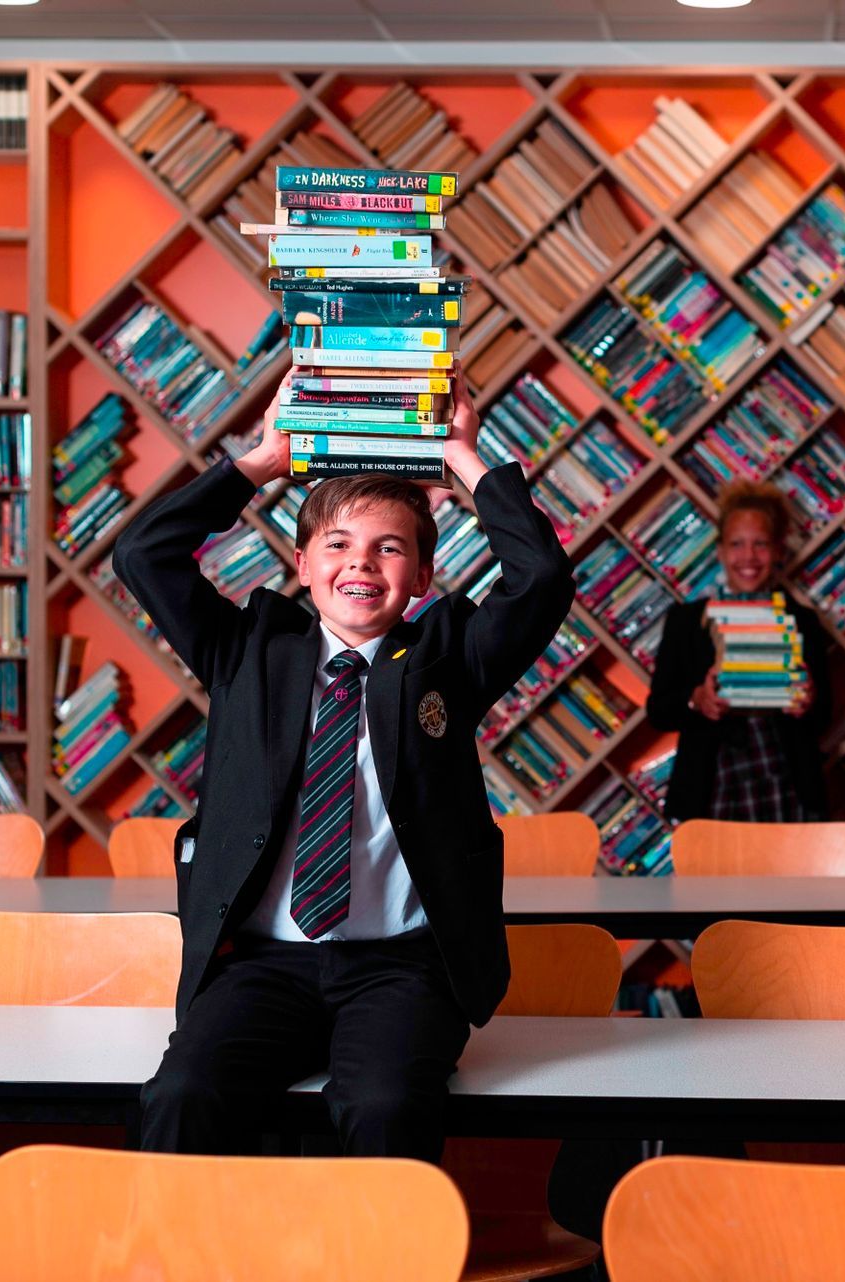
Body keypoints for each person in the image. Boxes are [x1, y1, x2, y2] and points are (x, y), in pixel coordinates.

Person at [114, 377, 574, 1159]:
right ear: (301, 563)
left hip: (400, 970)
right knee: (185, 1094)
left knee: (388, 1104)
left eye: (389, 548)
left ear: (422, 578)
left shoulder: (448, 659)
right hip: (263, 965)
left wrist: (462, 456)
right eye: (338, 545)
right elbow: (142, 554)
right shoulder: (247, 652)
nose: (361, 564)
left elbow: (543, 582)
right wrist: (263, 461)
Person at [644, 481, 831, 823]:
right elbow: (658, 710)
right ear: (719, 550)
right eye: (736, 544)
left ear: (777, 551)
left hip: (786, 782)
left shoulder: (802, 621)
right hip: (713, 785)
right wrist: (695, 699)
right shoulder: (686, 622)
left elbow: (825, 714)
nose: (748, 557)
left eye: (760, 544)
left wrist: (809, 700)